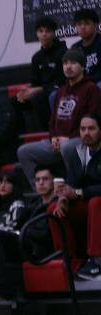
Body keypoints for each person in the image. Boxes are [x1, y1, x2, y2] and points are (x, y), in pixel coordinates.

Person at [17, 48, 99, 185]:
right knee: (24, 152)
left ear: (83, 66)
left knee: (67, 146)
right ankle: (44, 195)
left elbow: (94, 120)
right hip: (58, 142)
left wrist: (70, 138)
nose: (68, 66)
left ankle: (74, 187)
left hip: (80, 141)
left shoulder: (91, 89)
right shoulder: (60, 92)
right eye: (65, 63)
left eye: (73, 63)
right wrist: (53, 137)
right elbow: (52, 121)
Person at [50, 113, 101, 280]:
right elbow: (71, 182)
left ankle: (97, 261)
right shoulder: (76, 152)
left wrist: (79, 193)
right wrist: (63, 199)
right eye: (82, 129)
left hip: (97, 203)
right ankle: (70, 261)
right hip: (87, 206)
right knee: (53, 209)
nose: (86, 132)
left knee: (96, 202)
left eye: (91, 128)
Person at [17, 16, 67, 131]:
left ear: (54, 33)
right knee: (16, 101)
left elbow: (62, 81)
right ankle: (22, 134)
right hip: (41, 90)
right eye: (41, 31)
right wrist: (25, 92)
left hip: (58, 88)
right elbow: (34, 82)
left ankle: (50, 131)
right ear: (37, 34)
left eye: (48, 31)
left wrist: (37, 90)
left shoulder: (63, 52)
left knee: (39, 97)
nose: (44, 34)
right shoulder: (36, 57)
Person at [72, 8, 101, 82]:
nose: (82, 27)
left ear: (96, 25)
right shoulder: (75, 48)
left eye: (87, 23)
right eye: (79, 24)